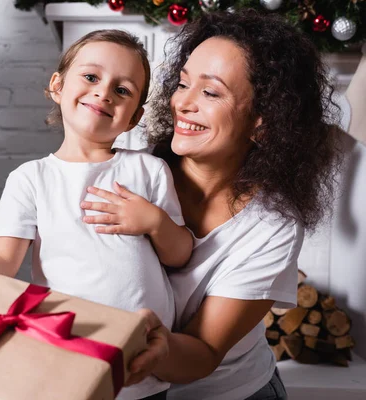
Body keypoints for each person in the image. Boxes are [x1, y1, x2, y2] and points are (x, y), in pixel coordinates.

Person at [81, 10, 340, 400]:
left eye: (211, 92)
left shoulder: (273, 226)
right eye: (183, 83)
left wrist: (157, 349)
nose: (183, 103)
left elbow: (204, 353)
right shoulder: (133, 170)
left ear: (263, 121)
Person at [0, 29, 193, 400]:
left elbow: (180, 255)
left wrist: (154, 223)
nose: (104, 93)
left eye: (123, 90)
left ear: (134, 117)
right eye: (92, 77)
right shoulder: (31, 179)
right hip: (67, 348)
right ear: (57, 85)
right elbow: (3, 257)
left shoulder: (147, 171)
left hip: (140, 356)